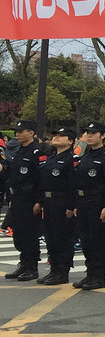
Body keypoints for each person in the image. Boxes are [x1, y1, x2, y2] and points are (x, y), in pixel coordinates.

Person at [71, 122, 105, 290]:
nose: (89, 136)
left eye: (94, 133)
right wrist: (76, 203)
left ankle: (99, 275)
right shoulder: (85, 156)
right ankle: (90, 273)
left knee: (97, 240)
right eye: (87, 133)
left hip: (98, 202)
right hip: (83, 202)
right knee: (86, 240)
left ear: (103, 136)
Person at [34, 125, 78, 285]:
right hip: (49, 202)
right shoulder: (51, 158)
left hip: (62, 201)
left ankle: (62, 271)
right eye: (55, 135)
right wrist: (40, 201)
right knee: (50, 236)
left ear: (71, 141)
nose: (56, 138)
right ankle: (54, 269)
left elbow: (73, 185)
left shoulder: (71, 159)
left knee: (63, 237)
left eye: (61, 135)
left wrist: (71, 206)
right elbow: (43, 182)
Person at [3, 120, 46, 282]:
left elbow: (41, 178)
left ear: (31, 133)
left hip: (30, 199)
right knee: (19, 233)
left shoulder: (36, 152)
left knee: (29, 234)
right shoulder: (20, 150)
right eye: (17, 131)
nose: (18, 134)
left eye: (22, 131)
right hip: (17, 197)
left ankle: (32, 266)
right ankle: (24, 263)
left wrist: (38, 201)